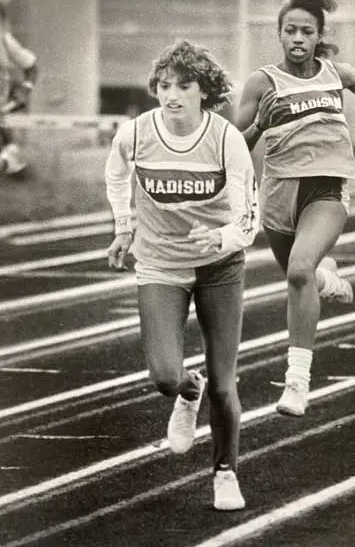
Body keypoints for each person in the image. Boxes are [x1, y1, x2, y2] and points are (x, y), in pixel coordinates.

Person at [236, 0, 355, 417]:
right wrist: (260, 126)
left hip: (327, 191)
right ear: (279, 35)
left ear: (319, 36)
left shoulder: (338, 74)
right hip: (278, 195)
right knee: (303, 275)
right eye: (290, 31)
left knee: (297, 271)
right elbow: (233, 146)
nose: (298, 38)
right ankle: (326, 277)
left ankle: (297, 382)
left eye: (307, 31)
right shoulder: (262, 83)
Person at [105, 39, 259, 510]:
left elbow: (248, 216)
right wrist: (123, 226)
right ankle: (185, 393)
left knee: (224, 381)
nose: (171, 94)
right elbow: (115, 175)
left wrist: (223, 238)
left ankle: (225, 471)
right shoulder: (134, 134)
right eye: (164, 85)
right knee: (164, 373)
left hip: (219, 267)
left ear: (204, 92)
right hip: (159, 264)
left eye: (183, 86)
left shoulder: (225, 139)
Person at [0, 0, 38, 176]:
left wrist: (24, 90)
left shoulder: (5, 41)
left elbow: (32, 67)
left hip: (3, 111)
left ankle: (10, 160)